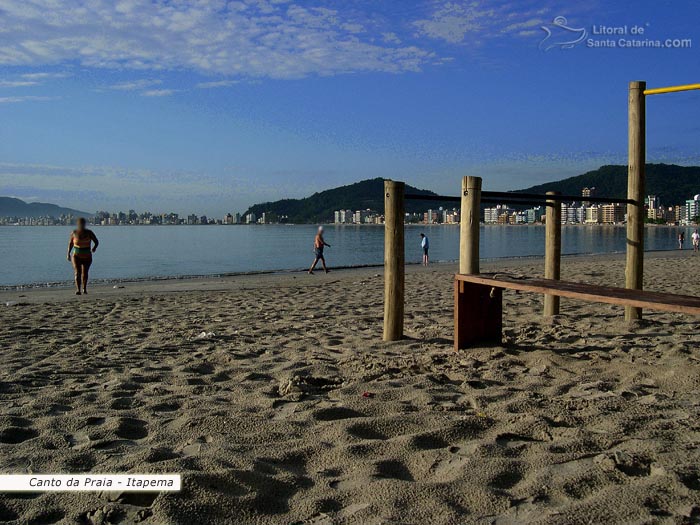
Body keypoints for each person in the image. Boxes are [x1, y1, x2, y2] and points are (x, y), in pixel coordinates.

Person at [67, 218, 99, 295]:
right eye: (80, 223)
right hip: (76, 255)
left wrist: (94, 248)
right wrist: (68, 253)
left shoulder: (89, 233)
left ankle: (84, 288)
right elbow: (70, 243)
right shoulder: (74, 233)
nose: (81, 225)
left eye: (82, 223)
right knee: (77, 272)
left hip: (87, 255)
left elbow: (96, 241)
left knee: (85, 273)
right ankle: (78, 289)